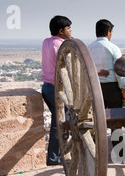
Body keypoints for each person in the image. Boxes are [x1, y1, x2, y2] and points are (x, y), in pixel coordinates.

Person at [41, 15, 73, 166]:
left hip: (46, 86)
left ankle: (57, 156)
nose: (70, 31)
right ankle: (55, 158)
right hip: (59, 89)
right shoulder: (63, 46)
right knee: (59, 125)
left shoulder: (46, 42)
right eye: (68, 28)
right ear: (61, 31)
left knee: (57, 122)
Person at [88, 19, 125, 109]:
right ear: (108, 32)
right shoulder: (113, 48)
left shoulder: (88, 48)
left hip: (94, 87)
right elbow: (119, 71)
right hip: (111, 87)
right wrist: (124, 90)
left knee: (98, 118)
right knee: (115, 116)